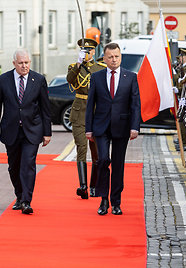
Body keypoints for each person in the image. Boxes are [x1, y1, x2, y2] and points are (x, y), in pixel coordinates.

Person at [0, 49, 52, 215]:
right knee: (14, 167)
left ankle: (26, 200)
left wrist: (47, 132)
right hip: (11, 130)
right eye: (21, 63)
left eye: (27, 63)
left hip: (32, 130)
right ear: (14, 64)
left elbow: (46, 108)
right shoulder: (3, 80)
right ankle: (19, 194)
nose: (24, 66)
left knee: (28, 164)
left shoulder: (38, 80)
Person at [85, 43, 141, 215]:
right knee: (102, 160)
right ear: (105, 58)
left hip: (122, 127)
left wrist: (134, 127)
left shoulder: (130, 77)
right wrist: (88, 128)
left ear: (120, 57)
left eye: (116, 56)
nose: (114, 60)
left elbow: (135, 104)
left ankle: (116, 202)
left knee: (118, 165)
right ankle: (103, 200)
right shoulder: (97, 77)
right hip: (101, 127)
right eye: (110, 57)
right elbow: (90, 105)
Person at [66, 37, 106, 199]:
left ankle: (94, 185)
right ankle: (82, 186)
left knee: (96, 152)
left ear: (94, 51)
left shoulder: (100, 68)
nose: (86, 53)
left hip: (96, 113)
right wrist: (78, 64)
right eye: (83, 51)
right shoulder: (74, 67)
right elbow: (70, 81)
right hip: (80, 111)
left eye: (88, 51)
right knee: (81, 148)